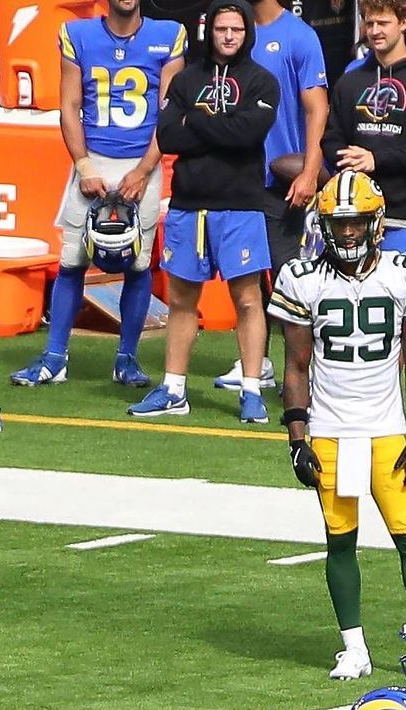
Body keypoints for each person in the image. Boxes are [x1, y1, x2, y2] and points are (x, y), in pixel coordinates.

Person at [270, 171, 406, 680]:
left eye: (355, 223)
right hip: (330, 428)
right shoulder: (303, 278)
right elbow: (295, 366)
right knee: (340, 538)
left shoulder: (405, 272)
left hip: (386, 426)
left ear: (377, 223)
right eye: (338, 224)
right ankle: (355, 647)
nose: (346, 234)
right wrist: (297, 438)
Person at [9, 0, 186, 392]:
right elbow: (69, 105)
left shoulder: (167, 35)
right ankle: (55, 357)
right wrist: (84, 164)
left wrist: (142, 171)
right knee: (71, 259)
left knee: (138, 263)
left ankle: (127, 357)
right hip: (93, 157)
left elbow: (169, 113)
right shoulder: (78, 33)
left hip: (143, 159)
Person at [127, 0, 278, 425]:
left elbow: (248, 135)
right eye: (221, 29)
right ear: (208, 31)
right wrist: (217, 128)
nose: (228, 36)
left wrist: (197, 123)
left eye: (236, 29)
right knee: (181, 300)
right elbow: (169, 135)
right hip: (189, 206)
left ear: (247, 32)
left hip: (241, 206)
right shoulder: (186, 78)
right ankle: (174, 388)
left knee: (247, 300)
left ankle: (251, 390)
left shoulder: (262, 81)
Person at [213, 0, 327, 394]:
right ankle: (255, 363)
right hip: (238, 179)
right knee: (245, 281)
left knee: (292, 282)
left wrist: (311, 171)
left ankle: (303, 372)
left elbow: (316, 108)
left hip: (283, 183)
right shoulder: (230, 32)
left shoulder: (299, 36)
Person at [323, 0, 406, 257]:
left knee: (399, 296)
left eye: (383, 23)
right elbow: (330, 139)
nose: (375, 31)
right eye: (370, 23)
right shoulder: (350, 81)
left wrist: (375, 160)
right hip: (352, 216)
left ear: (404, 24)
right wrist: (348, 158)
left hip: (404, 216)